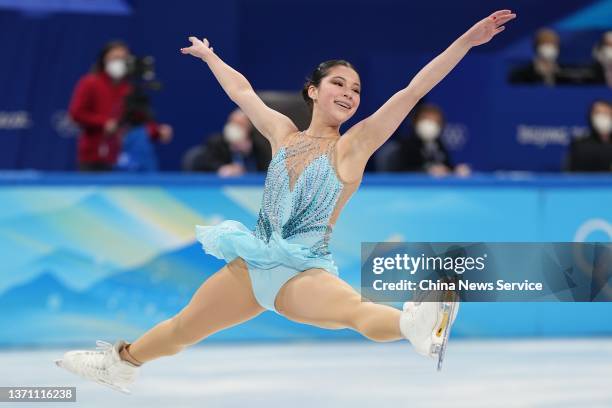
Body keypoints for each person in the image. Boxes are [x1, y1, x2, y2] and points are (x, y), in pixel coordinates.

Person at [56, 10, 516, 393]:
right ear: (314, 91)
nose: (350, 95)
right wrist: (210, 56)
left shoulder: (354, 147)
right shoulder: (283, 134)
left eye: (356, 90)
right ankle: (121, 363)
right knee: (181, 330)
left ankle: (412, 326)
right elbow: (242, 91)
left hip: (301, 270)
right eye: (339, 84)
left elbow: (413, 91)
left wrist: (466, 43)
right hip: (250, 264)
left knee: (356, 312)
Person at [69, 41, 172, 171]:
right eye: (115, 58)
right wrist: (104, 123)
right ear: (104, 59)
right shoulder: (90, 82)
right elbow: (76, 113)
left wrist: (157, 131)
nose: (119, 62)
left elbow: (137, 120)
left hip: (123, 158)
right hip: (94, 156)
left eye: (123, 58)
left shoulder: (129, 88)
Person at [383, 104, 471, 176]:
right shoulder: (406, 145)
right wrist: (426, 171)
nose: (429, 124)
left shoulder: (438, 144)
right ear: (416, 121)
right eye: (426, 119)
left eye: (435, 121)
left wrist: (455, 170)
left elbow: (445, 167)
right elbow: (401, 172)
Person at [187, 109, 270, 175]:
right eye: (232, 123)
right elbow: (203, 163)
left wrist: (249, 153)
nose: (235, 127)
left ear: (249, 126)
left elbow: (266, 169)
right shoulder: (216, 141)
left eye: (240, 124)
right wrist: (222, 168)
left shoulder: (257, 144)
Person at [567, 100, 612, 172]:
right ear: (590, 116)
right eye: (598, 113)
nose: (603, 117)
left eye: (606, 113)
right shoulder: (579, 146)